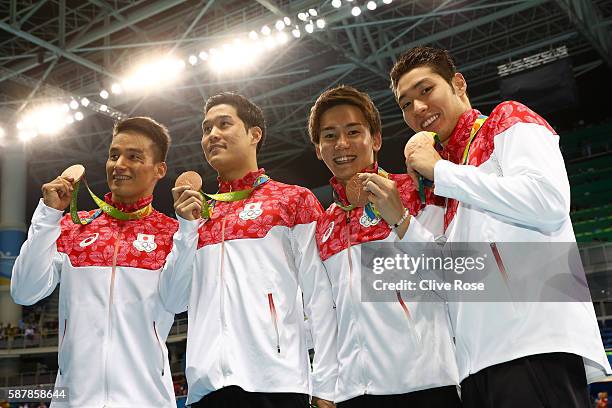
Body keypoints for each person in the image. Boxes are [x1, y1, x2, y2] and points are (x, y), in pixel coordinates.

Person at [374, 45, 611, 407]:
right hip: (475, 366)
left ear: (458, 84)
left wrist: (441, 171)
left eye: (425, 90)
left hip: (533, 347)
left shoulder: (506, 119)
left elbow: (548, 202)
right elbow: (449, 278)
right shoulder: (449, 178)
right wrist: (401, 220)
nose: (418, 108)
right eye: (406, 104)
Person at [159, 92, 338, 407]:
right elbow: (173, 300)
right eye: (206, 128)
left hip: (277, 385)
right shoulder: (197, 217)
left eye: (224, 124)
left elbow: (321, 296)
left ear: (255, 134)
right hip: (207, 390)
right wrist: (186, 229)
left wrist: (327, 381)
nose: (212, 134)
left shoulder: (293, 201)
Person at [307, 85, 460, 407]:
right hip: (352, 393)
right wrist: (325, 386)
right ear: (318, 149)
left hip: (426, 384)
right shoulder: (323, 225)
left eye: (353, 131)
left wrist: (401, 220)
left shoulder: (417, 192)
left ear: (375, 139)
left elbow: (453, 278)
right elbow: (327, 315)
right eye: (330, 136)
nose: (342, 144)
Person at [11, 117, 179, 407]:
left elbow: (181, 301)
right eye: (114, 155)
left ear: (159, 169)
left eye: (134, 156)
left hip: (147, 399)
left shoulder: (172, 234)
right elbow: (24, 291)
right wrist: (48, 216)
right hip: (74, 399)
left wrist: (189, 233)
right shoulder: (73, 227)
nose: (119, 164)